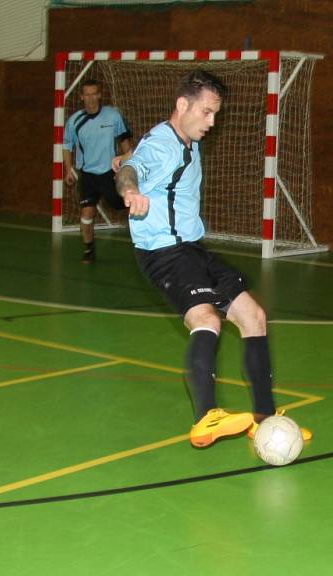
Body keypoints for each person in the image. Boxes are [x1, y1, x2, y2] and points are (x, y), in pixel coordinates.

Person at [115, 70, 311, 448]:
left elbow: (133, 157)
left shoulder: (181, 139)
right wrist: (130, 188)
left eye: (215, 114)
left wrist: (125, 156)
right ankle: (206, 417)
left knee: (253, 316)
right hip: (165, 252)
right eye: (206, 113)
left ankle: (264, 420)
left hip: (193, 248)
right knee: (206, 318)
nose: (212, 122)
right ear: (182, 105)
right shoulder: (164, 145)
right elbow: (132, 170)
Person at [62, 79, 132, 264]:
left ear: (100, 95)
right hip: (88, 176)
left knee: (123, 205)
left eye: (94, 94)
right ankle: (89, 251)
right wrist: (68, 169)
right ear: (82, 97)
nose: (91, 98)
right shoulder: (75, 121)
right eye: (87, 94)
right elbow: (67, 146)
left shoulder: (113, 116)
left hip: (110, 173)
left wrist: (129, 165)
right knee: (87, 215)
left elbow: (124, 140)